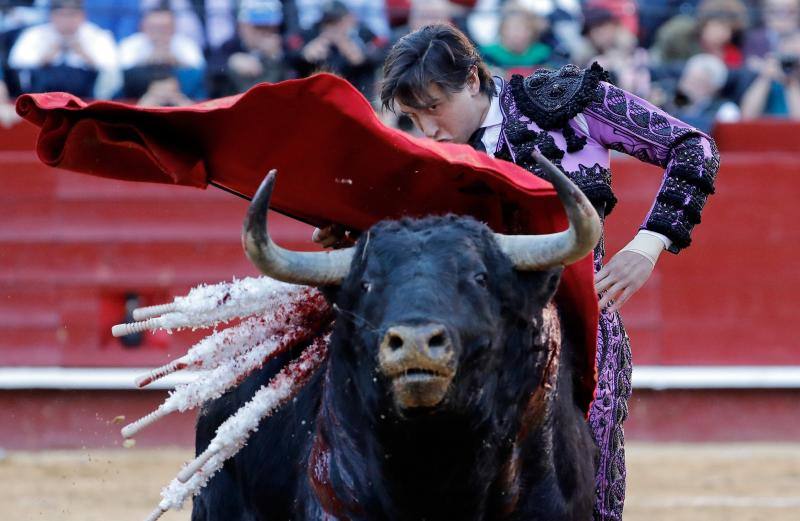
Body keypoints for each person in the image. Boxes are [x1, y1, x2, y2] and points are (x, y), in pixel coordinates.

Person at [318, 23, 718, 521]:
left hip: (583, 333)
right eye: (414, 118)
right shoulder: (423, 158)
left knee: (585, 493)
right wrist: (351, 239)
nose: (428, 130)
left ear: (470, 80)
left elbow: (693, 148)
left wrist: (648, 243)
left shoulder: (566, 104)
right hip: (475, 350)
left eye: (434, 108)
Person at [8, 0, 120, 99]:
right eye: (61, 15)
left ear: (83, 15)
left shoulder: (98, 35)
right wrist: (44, 59)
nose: (67, 20)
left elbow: (112, 66)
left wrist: (86, 56)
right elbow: (15, 62)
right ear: (51, 16)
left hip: (86, 94)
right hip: (44, 94)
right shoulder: (35, 34)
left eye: (72, 15)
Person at [118, 2, 206, 102]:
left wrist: (176, 61)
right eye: (154, 28)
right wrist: (147, 61)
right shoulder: (130, 44)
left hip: (179, 93)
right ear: (143, 27)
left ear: (174, 28)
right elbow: (120, 73)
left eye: (164, 28)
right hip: (139, 93)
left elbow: (200, 70)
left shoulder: (186, 44)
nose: (159, 33)